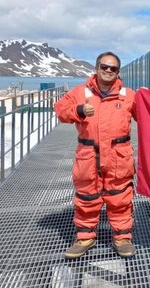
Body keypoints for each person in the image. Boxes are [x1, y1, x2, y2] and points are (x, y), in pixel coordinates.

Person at [55, 51, 137, 259]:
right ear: (96, 68)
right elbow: (60, 110)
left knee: (119, 196)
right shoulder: (79, 92)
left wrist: (149, 97)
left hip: (118, 156)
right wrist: (79, 110)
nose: (108, 71)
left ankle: (122, 237)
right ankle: (85, 236)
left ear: (118, 71)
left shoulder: (128, 95)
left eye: (113, 68)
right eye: (104, 67)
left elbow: (148, 114)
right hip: (88, 155)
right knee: (86, 195)